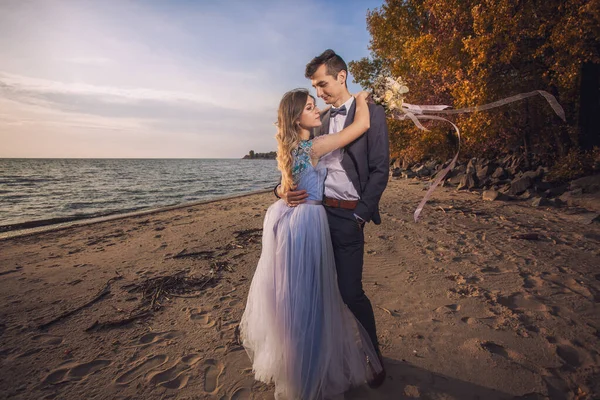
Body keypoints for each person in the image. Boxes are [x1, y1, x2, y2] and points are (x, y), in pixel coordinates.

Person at [240, 89, 382, 400]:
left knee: (295, 298)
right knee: (309, 298)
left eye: (315, 104)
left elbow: (287, 184)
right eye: (309, 106)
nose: (316, 109)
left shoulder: (292, 147)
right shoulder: (314, 146)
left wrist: (280, 192)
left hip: (290, 224)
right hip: (307, 225)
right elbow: (360, 128)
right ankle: (310, 373)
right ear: (296, 118)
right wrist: (360, 102)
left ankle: (299, 368)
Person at [276, 49, 389, 388]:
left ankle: (374, 358)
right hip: (315, 217)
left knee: (351, 293)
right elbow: (294, 169)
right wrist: (280, 192)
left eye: (322, 84)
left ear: (342, 76)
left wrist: (360, 215)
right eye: (314, 88)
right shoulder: (320, 120)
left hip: (349, 216)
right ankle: (326, 357)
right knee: (320, 294)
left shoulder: (372, 114)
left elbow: (380, 170)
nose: (319, 94)